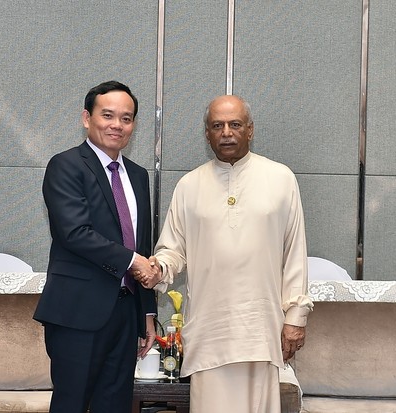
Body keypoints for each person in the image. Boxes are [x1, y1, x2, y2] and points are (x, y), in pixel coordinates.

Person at [138, 95, 313, 413]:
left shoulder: (281, 178)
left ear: (250, 130)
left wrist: (296, 318)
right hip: (210, 329)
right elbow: (173, 250)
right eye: (217, 125)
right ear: (207, 134)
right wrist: (159, 267)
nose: (227, 132)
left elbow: (294, 254)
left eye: (235, 124)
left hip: (260, 328)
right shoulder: (189, 186)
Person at [34, 80, 158, 413]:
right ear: (87, 118)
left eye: (127, 118)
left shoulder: (138, 175)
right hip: (78, 313)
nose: (117, 125)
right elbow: (74, 232)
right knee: (71, 404)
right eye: (108, 115)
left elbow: (140, 243)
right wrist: (134, 262)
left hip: (125, 312)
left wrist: (146, 311)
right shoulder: (66, 165)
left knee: (115, 405)